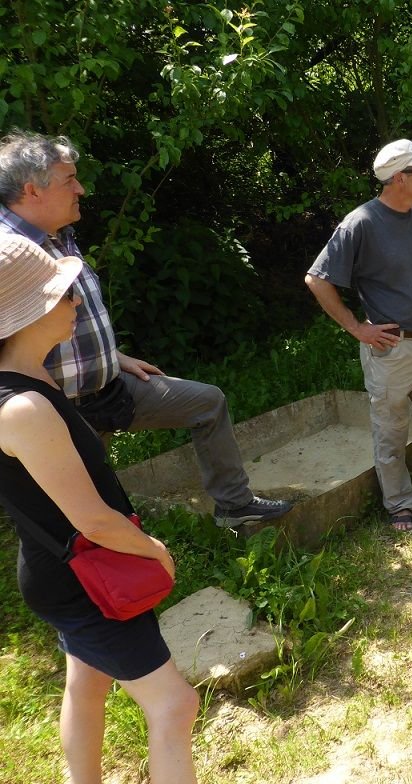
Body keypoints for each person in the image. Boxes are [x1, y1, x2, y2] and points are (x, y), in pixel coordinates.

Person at [0, 130, 291, 529]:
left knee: (207, 402)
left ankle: (234, 506)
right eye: (70, 180)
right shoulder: (8, 252)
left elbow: (72, 316)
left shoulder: (60, 234)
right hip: (56, 408)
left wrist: (114, 357)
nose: (81, 189)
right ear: (33, 190)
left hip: (110, 387)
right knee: (83, 514)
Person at [0, 235, 199, 783]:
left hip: (64, 569)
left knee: (86, 679)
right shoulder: (21, 407)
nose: (77, 303)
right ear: (26, 314)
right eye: (64, 295)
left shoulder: (31, 378)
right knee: (175, 706)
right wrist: (154, 550)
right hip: (86, 579)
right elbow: (90, 518)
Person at [306, 139, 412, 532]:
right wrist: (356, 328)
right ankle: (400, 505)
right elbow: (317, 279)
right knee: (391, 432)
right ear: (399, 178)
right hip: (391, 351)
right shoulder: (360, 223)